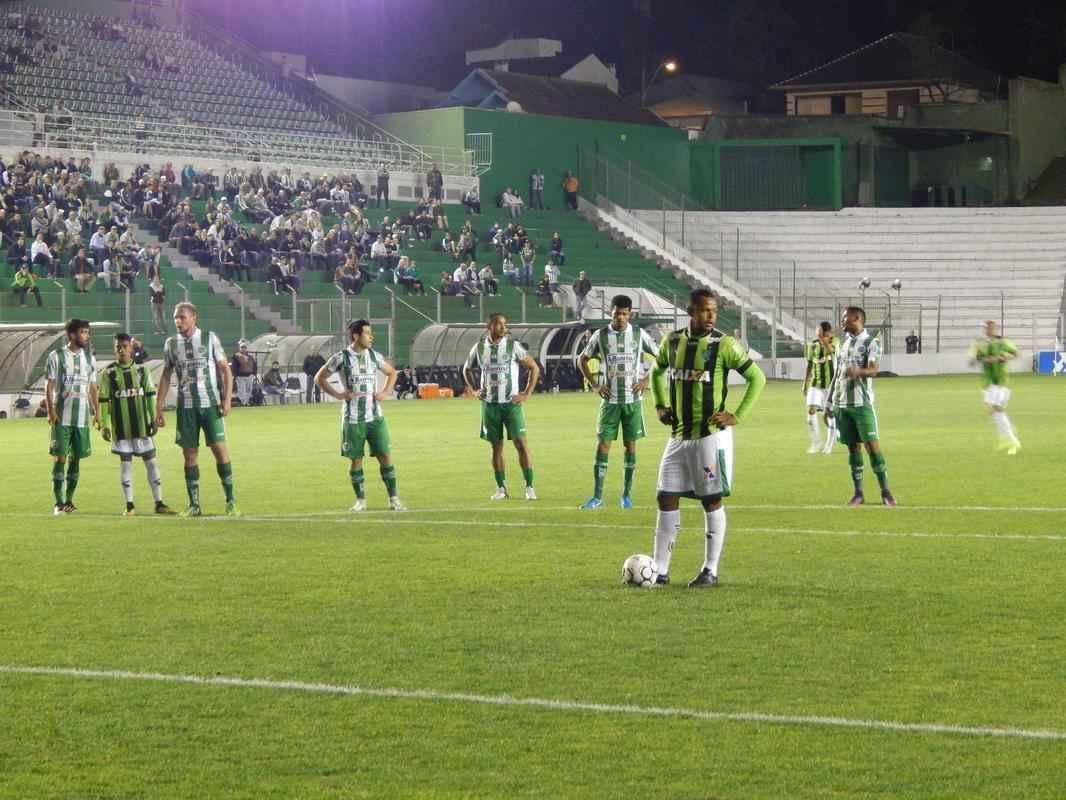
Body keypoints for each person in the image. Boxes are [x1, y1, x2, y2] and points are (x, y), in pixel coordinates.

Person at [649, 289, 766, 587]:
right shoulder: (672, 342)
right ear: (690, 311)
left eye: (713, 310)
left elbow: (757, 378)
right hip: (678, 436)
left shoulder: (724, 345)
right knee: (665, 496)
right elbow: (656, 371)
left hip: (709, 436)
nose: (711, 315)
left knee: (710, 500)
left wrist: (738, 415)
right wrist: (660, 404)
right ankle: (659, 570)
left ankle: (710, 570)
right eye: (704, 310)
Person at [155, 302, 239, 517]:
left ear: (194, 317)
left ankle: (231, 501)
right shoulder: (171, 343)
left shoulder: (209, 338)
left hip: (210, 404)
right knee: (189, 454)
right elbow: (166, 375)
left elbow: (225, 371)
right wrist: (159, 408)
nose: (178, 321)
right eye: (175, 317)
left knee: (219, 450)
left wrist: (227, 400)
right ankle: (194, 505)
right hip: (186, 408)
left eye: (182, 317)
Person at [577, 295, 660, 510]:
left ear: (630, 314)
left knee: (629, 445)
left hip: (633, 401)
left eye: (624, 314)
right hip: (610, 401)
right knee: (603, 445)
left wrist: (645, 379)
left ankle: (626, 494)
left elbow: (662, 357)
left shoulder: (639, 334)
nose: (620, 317)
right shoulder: (601, 335)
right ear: (611, 313)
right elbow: (582, 359)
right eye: (616, 314)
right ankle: (597, 497)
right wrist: (595, 384)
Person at [315, 319, 406, 512]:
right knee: (356, 459)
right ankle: (361, 501)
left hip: (375, 416)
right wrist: (339, 394)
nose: (371, 336)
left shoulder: (374, 356)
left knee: (385, 455)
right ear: (356, 336)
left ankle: (394, 499)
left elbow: (392, 373)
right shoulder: (341, 357)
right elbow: (319, 378)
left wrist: (386, 392)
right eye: (367, 333)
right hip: (353, 418)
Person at [463, 314, 540, 500]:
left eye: (505, 324)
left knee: (521, 443)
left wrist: (526, 393)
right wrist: (474, 390)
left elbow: (534, 367)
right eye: (499, 324)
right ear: (489, 326)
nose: (503, 327)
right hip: (490, 405)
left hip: (511, 405)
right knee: (496, 447)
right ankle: (501, 489)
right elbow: (466, 368)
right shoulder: (480, 347)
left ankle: (529, 487)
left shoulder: (513, 346)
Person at [824, 306, 896, 507]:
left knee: (872, 446)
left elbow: (874, 370)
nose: (841, 322)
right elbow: (837, 374)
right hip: (842, 405)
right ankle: (858, 493)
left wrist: (857, 371)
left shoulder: (871, 343)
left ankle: (886, 491)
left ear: (857, 318)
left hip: (861, 404)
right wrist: (828, 403)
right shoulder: (843, 344)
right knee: (853, 448)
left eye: (845, 318)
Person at [98, 332, 176, 515]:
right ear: (114, 349)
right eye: (118, 347)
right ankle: (130, 505)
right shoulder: (108, 373)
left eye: (125, 347)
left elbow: (149, 396)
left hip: (142, 426)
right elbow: (103, 400)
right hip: (121, 427)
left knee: (152, 463)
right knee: (125, 464)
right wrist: (104, 425)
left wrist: (154, 418)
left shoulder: (142, 370)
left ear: (131, 349)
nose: (122, 350)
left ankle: (159, 503)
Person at [44, 318, 101, 515]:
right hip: (61, 416)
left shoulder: (89, 358)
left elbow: (92, 387)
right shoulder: (56, 356)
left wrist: (97, 412)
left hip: (81, 418)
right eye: (83, 332)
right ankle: (58, 503)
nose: (86, 336)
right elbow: (49, 384)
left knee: (76, 459)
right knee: (60, 458)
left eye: (87, 332)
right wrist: (51, 410)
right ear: (72, 335)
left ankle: (69, 501)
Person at [969, 320, 1021, 454]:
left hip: (1002, 381)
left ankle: (1014, 441)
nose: (988, 329)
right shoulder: (981, 344)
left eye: (991, 327)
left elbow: (1016, 354)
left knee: (997, 409)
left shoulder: (1002, 342)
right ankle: (1005, 438)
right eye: (986, 327)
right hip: (988, 383)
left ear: (995, 329)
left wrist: (1004, 357)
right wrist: (976, 358)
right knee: (992, 412)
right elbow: (973, 361)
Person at [802, 321, 838, 454]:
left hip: (830, 384)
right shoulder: (812, 345)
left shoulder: (835, 341)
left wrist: (823, 339)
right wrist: (804, 383)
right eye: (819, 333)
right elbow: (810, 364)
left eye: (822, 333)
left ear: (828, 332)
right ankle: (816, 443)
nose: (819, 335)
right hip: (815, 384)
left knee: (829, 413)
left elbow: (831, 351)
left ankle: (829, 444)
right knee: (810, 411)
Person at [231, 340, 258, 406]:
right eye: (242, 347)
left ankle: (245, 402)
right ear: (239, 348)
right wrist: (235, 375)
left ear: (246, 348)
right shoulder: (236, 356)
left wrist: (254, 374)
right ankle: (243, 403)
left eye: (244, 347)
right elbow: (234, 366)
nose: (243, 349)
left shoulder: (251, 357)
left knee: (249, 390)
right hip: (240, 376)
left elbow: (254, 366)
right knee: (242, 391)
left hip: (249, 376)